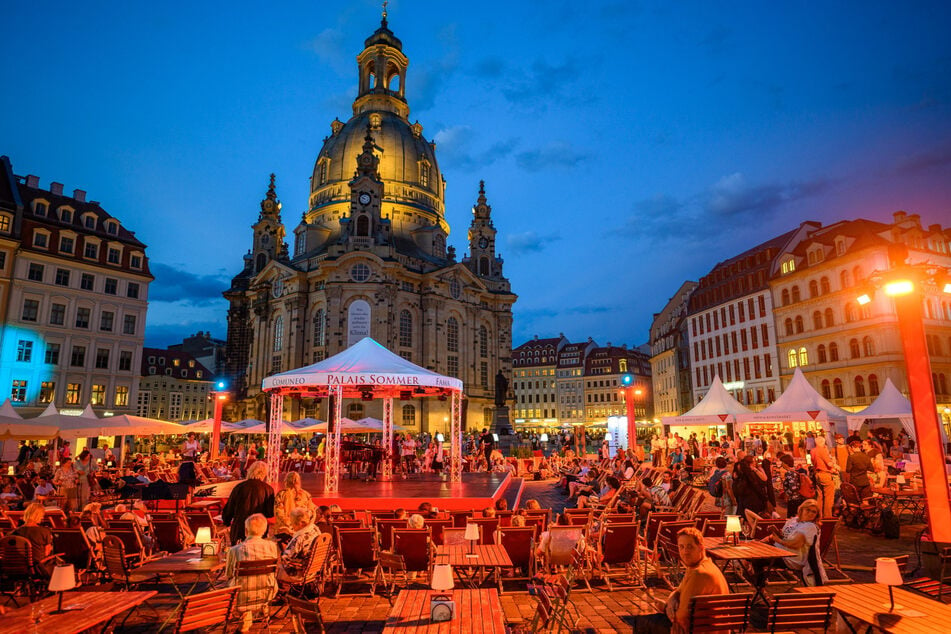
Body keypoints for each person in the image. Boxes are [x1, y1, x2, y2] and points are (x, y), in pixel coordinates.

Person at [634, 527, 730, 633]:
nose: (685, 552)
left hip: (700, 630)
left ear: (701, 547)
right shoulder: (703, 565)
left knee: (641, 623)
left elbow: (681, 617)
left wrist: (665, 608)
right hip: (705, 627)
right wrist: (672, 600)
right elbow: (678, 590)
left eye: (690, 547)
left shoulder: (699, 573)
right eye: (681, 547)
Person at [226, 514, 280, 632]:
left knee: (239, 583)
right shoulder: (272, 546)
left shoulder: (235, 550)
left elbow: (228, 574)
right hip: (267, 593)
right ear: (265, 530)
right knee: (254, 580)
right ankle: (253, 616)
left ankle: (245, 622)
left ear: (246, 531)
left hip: (240, 597)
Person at [764, 498, 827, 586]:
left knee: (758, 559)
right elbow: (784, 536)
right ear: (801, 509)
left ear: (816, 515)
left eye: (813, 512)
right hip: (779, 551)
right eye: (808, 510)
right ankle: (759, 584)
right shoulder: (793, 520)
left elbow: (795, 544)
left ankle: (760, 588)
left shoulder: (810, 526)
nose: (810, 513)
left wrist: (777, 540)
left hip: (791, 558)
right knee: (756, 549)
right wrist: (775, 532)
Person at [222, 461, 275, 542]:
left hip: (240, 527)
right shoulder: (268, 489)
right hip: (259, 529)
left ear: (250, 471)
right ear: (264, 473)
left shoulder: (239, 487)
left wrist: (227, 521)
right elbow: (269, 513)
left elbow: (230, 508)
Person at [277, 507, 321, 582]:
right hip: (314, 569)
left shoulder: (299, 539)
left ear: (300, 523)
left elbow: (285, 558)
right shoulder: (315, 528)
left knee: (275, 565)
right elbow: (305, 539)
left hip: (299, 573)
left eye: (292, 523)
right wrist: (292, 533)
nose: (292, 526)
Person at [12, 503, 54, 576]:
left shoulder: (14, 532)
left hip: (19, 567)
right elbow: (46, 554)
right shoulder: (44, 531)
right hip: (38, 568)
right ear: (39, 516)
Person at [274, 472, 315, 539]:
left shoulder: (281, 495)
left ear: (286, 481)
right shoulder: (306, 495)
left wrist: (291, 526)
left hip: (285, 531)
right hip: (303, 530)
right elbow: (311, 512)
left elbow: (278, 513)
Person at [810, 435, 836, 518]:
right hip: (825, 474)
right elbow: (829, 463)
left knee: (819, 497)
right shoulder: (822, 450)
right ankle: (828, 517)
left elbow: (814, 462)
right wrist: (834, 464)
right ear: (823, 442)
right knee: (828, 498)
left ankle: (819, 516)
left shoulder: (813, 450)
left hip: (817, 474)